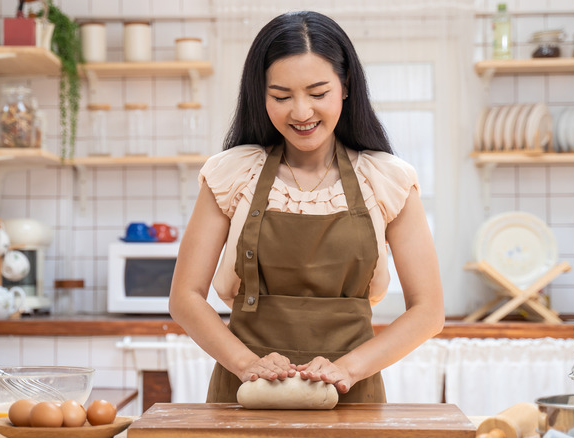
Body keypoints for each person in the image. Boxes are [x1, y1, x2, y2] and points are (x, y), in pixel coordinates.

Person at [169, 10, 444, 404]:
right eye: (281, 96)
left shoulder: (387, 180)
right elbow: (185, 297)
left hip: (352, 393)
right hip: (246, 393)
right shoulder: (231, 173)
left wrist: (348, 368)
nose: (300, 112)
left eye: (318, 93)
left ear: (345, 86)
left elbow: (429, 311)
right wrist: (246, 363)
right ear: (260, 95)